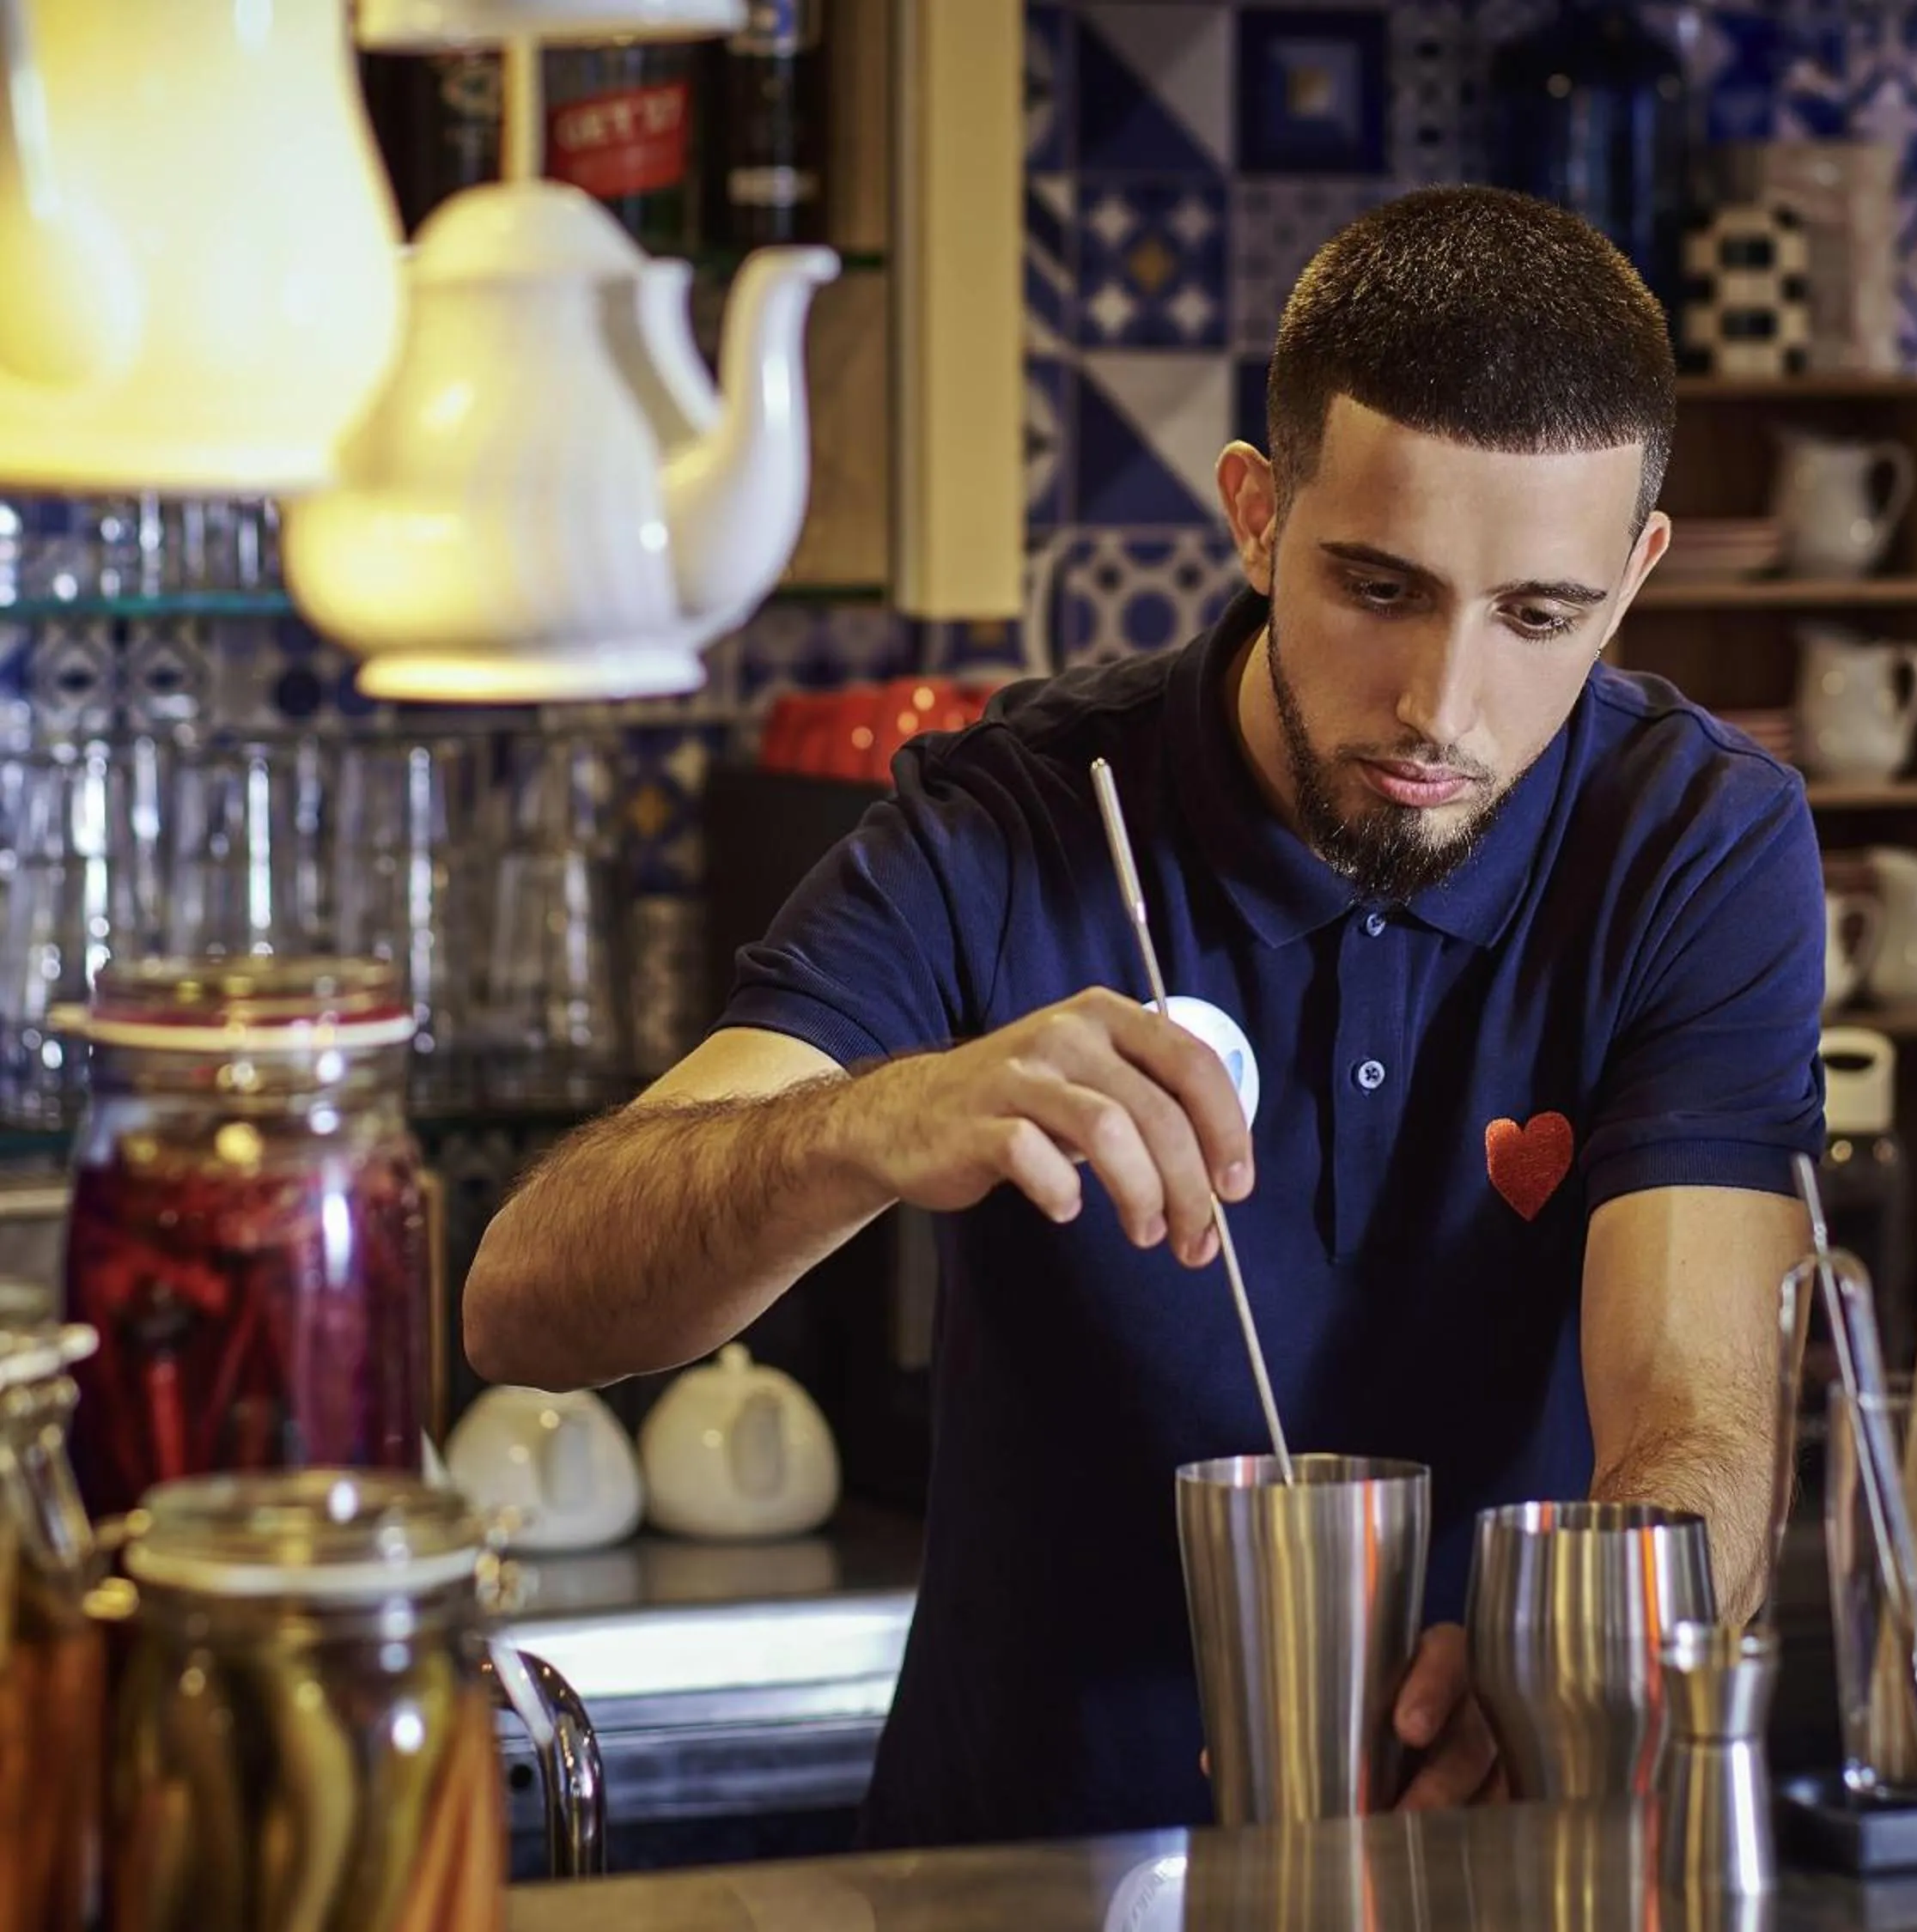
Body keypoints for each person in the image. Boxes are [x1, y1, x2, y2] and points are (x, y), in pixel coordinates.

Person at [464, 185, 1824, 1850]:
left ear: (1635, 576)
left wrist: (1576, 1663)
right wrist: (878, 1119)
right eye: (1380, 588)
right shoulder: (1011, 823)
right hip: (1016, 1880)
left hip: (1485, 1864)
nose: (1443, 708)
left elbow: (1697, 1411)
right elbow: (528, 1301)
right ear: (1255, 517)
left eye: (1539, 617)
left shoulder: (1696, 843)